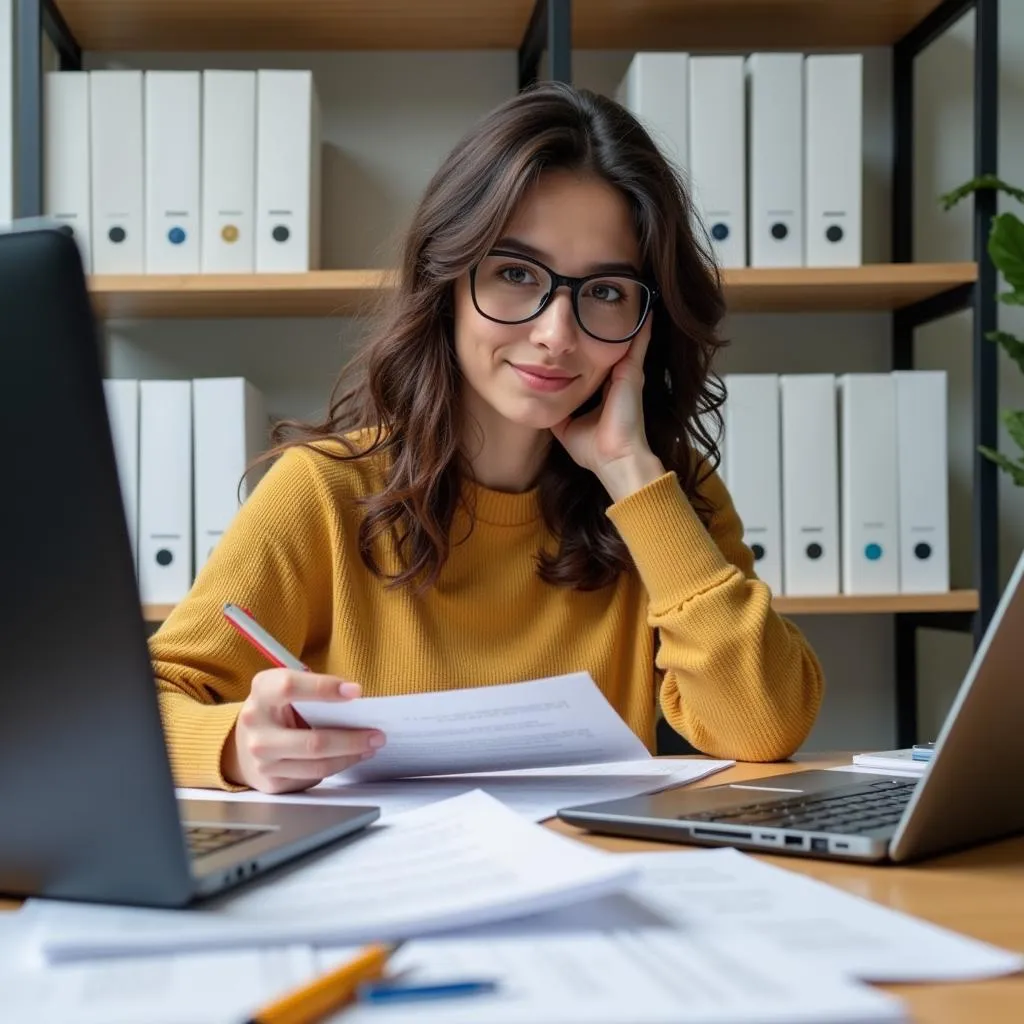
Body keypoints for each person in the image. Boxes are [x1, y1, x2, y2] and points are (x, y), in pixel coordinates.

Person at [151, 81, 825, 794]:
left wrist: (630, 474)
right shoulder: (324, 490)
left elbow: (765, 726)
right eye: (513, 273)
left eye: (604, 292)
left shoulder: (664, 493)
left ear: (646, 319)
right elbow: (151, 703)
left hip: (593, 883)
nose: (555, 335)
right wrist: (234, 745)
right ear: (446, 279)